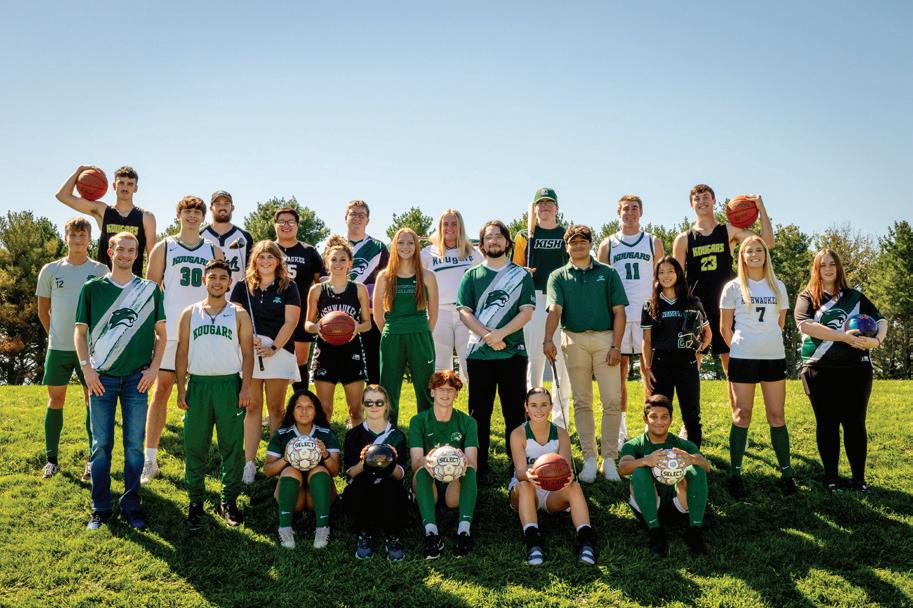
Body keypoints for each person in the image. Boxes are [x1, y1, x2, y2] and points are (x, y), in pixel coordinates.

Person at [74, 232, 166, 530]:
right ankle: (100, 508)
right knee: (101, 445)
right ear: (110, 252)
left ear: (137, 254)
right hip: (101, 378)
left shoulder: (149, 290)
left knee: (135, 446)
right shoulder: (92, 288)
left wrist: (153, 369)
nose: (126, 254)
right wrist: (87, 370)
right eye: (120, 249)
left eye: (132, 250)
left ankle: (131, 505)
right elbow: (80, 333)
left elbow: (162, 336)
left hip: (137, 379)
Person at [143, 196, 222, 483]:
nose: (192, 216)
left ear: (203, 217)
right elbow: (150, 290)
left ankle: (197, 460)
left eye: (197, 212)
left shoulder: (213, 248)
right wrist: (154, 326)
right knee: (162, 390)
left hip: (203, 329)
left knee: (201, 394)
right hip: (171, 330)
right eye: (187, 212)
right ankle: (149, 459)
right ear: (178, 215)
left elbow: (221, 288)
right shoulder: (164, 246)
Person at [794, 249, 887, 492]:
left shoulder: (855, 296)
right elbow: (806, 325)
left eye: (832, 264)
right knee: (827, 424)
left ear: (839, 268)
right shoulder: (807, 297)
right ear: (816, 269)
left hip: (856, 369)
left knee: (855, 424)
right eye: (822, 265)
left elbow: (881, 320)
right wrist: (844, 337)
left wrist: (876, 341)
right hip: (819, 369)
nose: (828, 269)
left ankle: (859, 480)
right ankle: (832, 478)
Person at [175, 259, 255, 531]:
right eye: (213, 277)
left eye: (223, 278)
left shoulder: (239, 313)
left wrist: (246, 387)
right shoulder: (190, 313)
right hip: (198, 385)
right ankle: (195, 501)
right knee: (194, 445)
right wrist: (181, 387)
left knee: (231, 446)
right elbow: (182, 352)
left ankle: (228, 500)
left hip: (228, 385)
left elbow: (248, 353)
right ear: (204, 280)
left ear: (230, 282)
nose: (217, 282)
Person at [544, 225, 627, 482]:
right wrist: (547, 339)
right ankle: (590, 458)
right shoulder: (558, 276)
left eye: (583, 241)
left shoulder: (608, 273)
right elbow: (555, 310)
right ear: (566, 246)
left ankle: (609, 458)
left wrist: (616, 346)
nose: (578, 246)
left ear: (590, 244)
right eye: (573, 242)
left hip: (605, 339)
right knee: (582, 401)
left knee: (612, 400)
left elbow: (619, 312)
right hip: (574, 339)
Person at [457, 220, 535, 480]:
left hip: (513, 353)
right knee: (479, 413)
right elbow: (464, 312)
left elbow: (526, 312)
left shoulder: (521, 275)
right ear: (482, 244)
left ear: (507, 242)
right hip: (479, 354)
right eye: (488, 237)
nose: (494, 241)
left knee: (515, 412)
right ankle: (478, 467)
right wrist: (487, 336)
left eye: (499, 236)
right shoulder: (471, 275)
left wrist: (500, 334)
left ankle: (518, 466)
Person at [719, 235, 794, 498]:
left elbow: (780, 323)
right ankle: (735, 474)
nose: (754, 254)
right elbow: (725, 328)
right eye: (748, 250)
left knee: (777, 415)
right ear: (742, 256)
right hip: (743, 358)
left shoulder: (777, 286)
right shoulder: (733, 287)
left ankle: (787, 474)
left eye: (759, 250)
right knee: (742, 414)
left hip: (773, 357)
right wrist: (742, 347)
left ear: (765, 254)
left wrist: (765, 342)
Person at [672, 185, 774, 377]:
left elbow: (767, 243)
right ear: (691, 204)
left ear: (714, 201)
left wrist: (761, 208)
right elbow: (676, 279)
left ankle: (736, 398)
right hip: (696, 305)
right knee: (692, 361)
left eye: (705, 197)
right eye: (697, 198)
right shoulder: (684, 239)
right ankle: (691, 398)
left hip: (726, 303)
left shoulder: (728, 231)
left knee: (731, 361)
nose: (701, 201)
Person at [36, 217, 108, 480]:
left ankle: (92, 459)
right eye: (73, 235)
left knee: (92, 402)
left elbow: (106, 310)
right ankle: (52, 460)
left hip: (90, 350)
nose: (78, 240)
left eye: (82, 235)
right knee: (56, 400)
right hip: (59, 348)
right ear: (66, 237)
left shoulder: (100, 270)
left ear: (90, 238)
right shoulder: (51, 270)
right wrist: (55, 336)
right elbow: (43, 310)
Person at [229, 240, 301, 485]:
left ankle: (274, 460)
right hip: (250, 351)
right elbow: (236, 317)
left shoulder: (288, 286)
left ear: (278, 260)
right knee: (252, 407)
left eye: (271, 257)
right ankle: (249, 463)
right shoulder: (242, 286)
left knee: (276, 409)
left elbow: (291, 322)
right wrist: (248, 338)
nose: (266, 261)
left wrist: (273, 347)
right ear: (254, 260)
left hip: (279, 351)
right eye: (261, 257)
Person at [597, 195, 665, 445]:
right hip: (620, 315)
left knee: (650, 373)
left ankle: (652, 427)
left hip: (648, 313)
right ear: (618, 212)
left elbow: (662, 278)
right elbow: (601, 282)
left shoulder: (652, 242)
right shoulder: (608, 244)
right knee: (619, 374)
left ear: (641, 212)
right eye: (625, 209)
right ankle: (621, 429)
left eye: (635, 208)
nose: (630, 212)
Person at [509, 387, 596, 566]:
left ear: (551, 406)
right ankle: (533, 543)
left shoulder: (561, 433)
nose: (539, 410)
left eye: (544, 404)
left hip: (552, 492)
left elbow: (566, 469)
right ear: (526, 407)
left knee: (574, 487)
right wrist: (532, 475)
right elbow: (520, 472)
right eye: (533, 405)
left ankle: (586, 542)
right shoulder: (518, 434)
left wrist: (569, 476)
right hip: (526, 491)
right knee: (525, 485)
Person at [618, 395, 710, 557]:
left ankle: (695, 531)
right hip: (649, 502)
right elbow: (623, 468)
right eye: (653, 416)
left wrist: (691, 459)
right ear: (645, 419)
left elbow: (706, 466)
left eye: (664, 417)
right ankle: (655, 532)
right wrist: (645, 461)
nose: (659, 421)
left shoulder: (681, 444)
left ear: (671, 419)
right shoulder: (634, 444)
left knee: (697, 470)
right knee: (639, 471)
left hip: (678, 502)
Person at [641, 256, 712, 448]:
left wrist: (698, 348)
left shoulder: (692, 301)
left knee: (691, 414)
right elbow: (646, 340)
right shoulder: (650, 304)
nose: (666, 276)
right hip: (661, 362)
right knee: (658, 412)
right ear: (656, 276)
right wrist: (647, 368)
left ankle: (694, 456)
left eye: (670, 271)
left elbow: (708, 334)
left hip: (686, 362)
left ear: (678, 273)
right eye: (661, 272)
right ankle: (658, 456)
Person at [512, 188, 571, 416]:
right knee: (533, 359)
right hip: (534, 299)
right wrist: (522, 272)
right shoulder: (524, 235)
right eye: (541, 203)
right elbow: (513, 269)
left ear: (557, 208)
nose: (545, 207)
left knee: (562, 359)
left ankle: (560, 416)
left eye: (549, 203)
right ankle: (532, 412)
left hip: (561, 300)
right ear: (535, 208)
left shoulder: (566, 234)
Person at [409, 371, 479, 559]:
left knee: (469, 471)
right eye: (440, 389)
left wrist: (457, 459)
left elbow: (473, 462)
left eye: (450, 390)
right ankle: (431, 533)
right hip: (428, 482)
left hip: (453, 487)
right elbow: (415, 463)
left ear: (456, 393)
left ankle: (464, 532)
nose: (445, 394)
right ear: (432, 392)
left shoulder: (468, 422)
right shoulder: (418, 421)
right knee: (422, 471)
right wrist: (436, 458)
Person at [304, 236, 372, 426]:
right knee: (324, 410)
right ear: (327, 262)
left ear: (350, 263)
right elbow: (307, 324)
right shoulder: (317, 290)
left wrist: (356, 327)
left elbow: (367, 324)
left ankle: (357, 443)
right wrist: (317, 327)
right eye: (333, 259)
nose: (338, 263)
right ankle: (324, 444)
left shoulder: (358, 289)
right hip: (325, 352)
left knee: (356, 410)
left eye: (343, 259)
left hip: (352, 351)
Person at [373, 228, 439, 424]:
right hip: (393, 334)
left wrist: (423, 332)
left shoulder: (427, 276)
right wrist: (390, 332)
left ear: (416, 247)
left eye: (410, 243)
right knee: (389, 387)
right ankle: (389, 431)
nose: (405, 247)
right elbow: (377, 314)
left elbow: (434, 313)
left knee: (426, 387)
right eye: (401, 242)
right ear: (394, 246)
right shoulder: (384, 276)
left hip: (420, 334)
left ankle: (426, 430)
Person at [264, 389, 340, 550]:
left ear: (316, 411)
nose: (304, 411)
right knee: (290, 471)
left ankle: (323, 528)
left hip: (318, 498)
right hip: (293, 499)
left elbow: (335, 472)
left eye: (309, 407)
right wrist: (285, 459)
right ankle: (284, 528)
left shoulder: (326, 434)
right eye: (299, 406)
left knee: (319, 470)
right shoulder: (282, 434)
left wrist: (325, 455)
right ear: (292, 411)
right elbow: (268, 471)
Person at [342, 385, 409, 561]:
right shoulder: (353, 435)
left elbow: (400, 474)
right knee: (360, 484)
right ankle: (364, 533)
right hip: (363, 489)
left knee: (391, 485)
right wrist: (365, 462)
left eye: (379, 402)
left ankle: (392, 535)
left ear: (386, 405)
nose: (374, 406)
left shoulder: (397, 435)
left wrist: (390, 462)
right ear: (362, 405)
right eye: (369, 402)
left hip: (389, 491)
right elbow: (350, 473)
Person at [56, 164, 156, 276]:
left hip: (133, 282)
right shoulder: (102, 211)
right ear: (114, 186)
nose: (125, 187)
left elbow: (153, 258)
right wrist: (79, 170)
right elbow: (62, 196)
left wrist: (151, 284)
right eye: (121, 183)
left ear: (136, 188)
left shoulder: (146, 217)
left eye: (130, 184)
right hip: (104, 280)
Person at [421, 209, 482, 381]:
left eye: (454, 224)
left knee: (470, 363)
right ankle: (441, 400)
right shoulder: (427, 253)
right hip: (439, 313)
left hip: (466, 313)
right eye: (445, 224)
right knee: (440, 367)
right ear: (439, 227)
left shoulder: (473, 253)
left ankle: (475, 400)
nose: (449, 228)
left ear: (460, 226)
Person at [273, 206, 325, 392]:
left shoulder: (308, 251)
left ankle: (301, 401)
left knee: (299, 361)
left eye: (291, 222)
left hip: (301, 311)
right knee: (273, 359)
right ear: (275, 225)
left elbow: (322, 281)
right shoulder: (268, 249)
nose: (286, 225)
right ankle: (276, 405)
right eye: (282, 221)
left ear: (297, 225)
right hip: (271, 312)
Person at [345, 200, 389, 384]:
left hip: (370, 313)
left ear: (367, 220)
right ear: (345, 217)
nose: (357, 218)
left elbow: (388, 281)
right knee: (344, 363)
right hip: (342, 312)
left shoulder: (379, 247)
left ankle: (374, 398)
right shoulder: (335, 245)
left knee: (373, 361)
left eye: (361, 215)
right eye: (353, 214)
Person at [201, 190, 254, 291]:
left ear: (232, 207)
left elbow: (251, 271)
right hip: (205, 297)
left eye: (226, 203)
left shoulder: (245, 237)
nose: (222, 207)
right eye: (218, 204)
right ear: (211, 208)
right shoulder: (200, 235)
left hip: (236, 298)